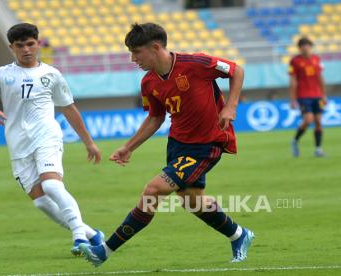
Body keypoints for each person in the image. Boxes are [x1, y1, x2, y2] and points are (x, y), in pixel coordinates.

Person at [78, 23, 254, 267]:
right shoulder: (148, 83)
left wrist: (231, 106)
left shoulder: (196, 63)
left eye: (136, 52)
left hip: (208, 143)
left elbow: (237, 70)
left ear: (156, 47)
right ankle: (239, 235)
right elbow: (155, 117)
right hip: (178, 145)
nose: (133, 59)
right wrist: (129, 147)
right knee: (192, 201)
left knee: (152, 191)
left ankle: (104, 251)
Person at [0, 23, 104, 255]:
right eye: (20, 45)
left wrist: (89, 142)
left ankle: (78, 238)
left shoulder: (52, 74)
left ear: (38, 43)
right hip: (18, 144)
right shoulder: (1, 75)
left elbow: (69, 108)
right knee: (42, 202)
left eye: (30, 44)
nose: (26, 49)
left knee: (52, 185)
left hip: (47, 136)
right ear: (11, 47)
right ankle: (92, 235)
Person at [289, 37, 326, 157]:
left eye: (308, 46)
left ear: (311, 47)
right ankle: (295, 140)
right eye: (303, 46)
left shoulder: (316, 59)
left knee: (319, 121)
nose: (306, 48)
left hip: (318, 95)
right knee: (308, 119)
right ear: (300, 48)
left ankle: (318, 149)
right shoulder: (295, 61)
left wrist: (324, 95)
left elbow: (320, 77)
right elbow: (293, 80)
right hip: (303, 95)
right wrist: (293, 99)